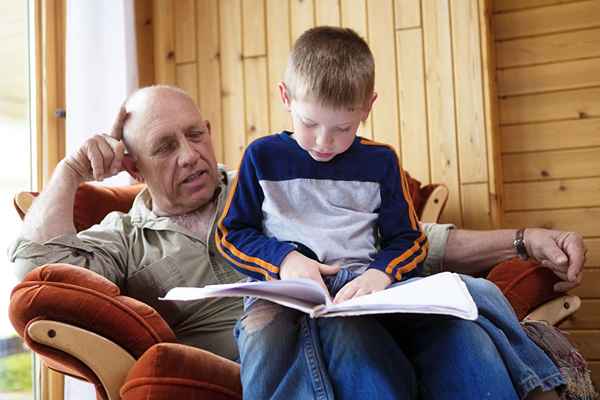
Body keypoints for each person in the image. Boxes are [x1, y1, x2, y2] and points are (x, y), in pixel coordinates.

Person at [8, 85, 585, 398]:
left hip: (358, 325)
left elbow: (413, 241)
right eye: (164, 147)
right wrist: (67, 174)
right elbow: (35, 271)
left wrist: (522, 239)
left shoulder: (272, 183)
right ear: (131, 164)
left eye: (197, 133)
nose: (191, 154)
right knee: (274, 323)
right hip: (269, 358)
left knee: (456, 310)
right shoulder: (125, 239)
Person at [216, 26, 577, 400]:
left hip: (362, 285)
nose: (324, 142)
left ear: (368, 107)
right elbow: (231, 234)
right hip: (287, 288)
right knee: (277, 332)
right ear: (285, 97)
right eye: (309, 124)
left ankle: (538, 383)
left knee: (479, 291)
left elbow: (408, 238)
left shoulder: (380, 161)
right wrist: (285, 260)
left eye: (343, 128)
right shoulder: (262, 156)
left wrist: (380, 273)